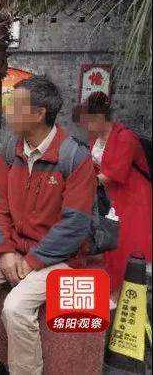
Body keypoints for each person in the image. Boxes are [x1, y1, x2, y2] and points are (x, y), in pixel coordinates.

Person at [0, 77, 96, 375]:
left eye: (15, 105)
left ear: (38, 114)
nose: (7, 110)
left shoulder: (74, 158)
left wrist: (34, 260)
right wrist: (5, 250)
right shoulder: (10, 149)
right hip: (15, 245)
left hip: (59, 257)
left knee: (16, 308)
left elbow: (75, 225)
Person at [74, 91, 152, 294]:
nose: (86, 127)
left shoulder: (126, 137)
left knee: (128, 242)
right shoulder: (96, 140)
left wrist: (78, 183)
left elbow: (113, 174)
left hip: (134, 197)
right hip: (111, 196)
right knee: (111, 240)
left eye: (88, 122)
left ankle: (126, 292)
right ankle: (113, 288)